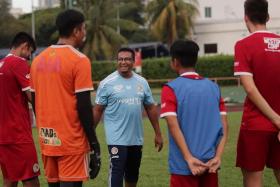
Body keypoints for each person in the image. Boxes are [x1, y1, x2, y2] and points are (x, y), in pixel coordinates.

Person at [30, 9, 100, 187]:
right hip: (72, 141)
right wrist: (93, 142)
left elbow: (35, 100)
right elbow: (84, 106)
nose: (84, 33)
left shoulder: (37, 60)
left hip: (48, 140)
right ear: (76, 31)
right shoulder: (79, 60)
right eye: (83, 29)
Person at [160, 40, 228, 187]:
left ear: (175, 62)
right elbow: (224, 126)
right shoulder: (214, 87)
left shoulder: (170, 88)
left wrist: (189, 158)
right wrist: (218, 156)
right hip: (211, 165)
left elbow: (173, 125)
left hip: (183, 166)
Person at [94, 47, 163, 187]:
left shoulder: (142, 82)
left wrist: (158, 133)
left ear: (133, 61)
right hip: (116, 138)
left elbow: (150, 107)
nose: (123, 62)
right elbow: (98, 110)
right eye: (120, 59)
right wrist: (90, 135)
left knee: (132, 176)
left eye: (127, 59)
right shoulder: (107, 83)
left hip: (136, 139)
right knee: (117, 172)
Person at [234, 0, 280, 186]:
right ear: (268, 17)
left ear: (246, 17)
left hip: (256, 124)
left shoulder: (243, 44)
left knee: (253, 180)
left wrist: (276, 119)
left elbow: (250, 88)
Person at [0, 32, 40, 187]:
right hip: (18, 134)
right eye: (30, 52)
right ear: (25, 46)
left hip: (2, 136)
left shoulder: (2, 63)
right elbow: (32, 97)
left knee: (9, 179)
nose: (29, 56)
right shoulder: (19, 63)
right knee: (30, 178)